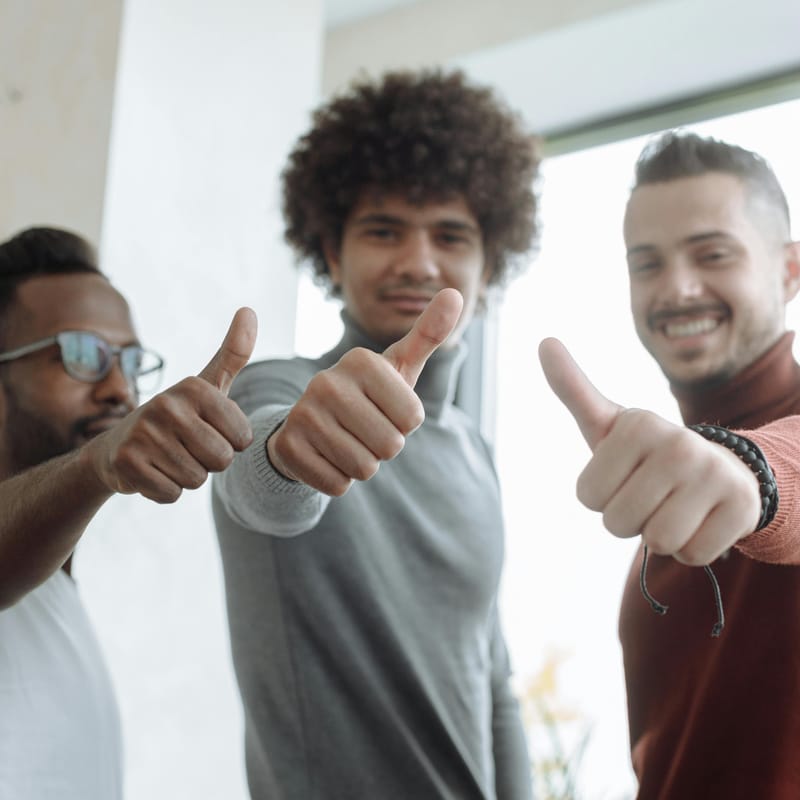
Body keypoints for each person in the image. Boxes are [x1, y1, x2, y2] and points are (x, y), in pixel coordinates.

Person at [212, 68, 540, 799]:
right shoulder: (283, 390)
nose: (417, 261)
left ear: (490, 265)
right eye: (383, 230)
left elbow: (493, 684)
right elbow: (261, 484)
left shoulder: (474, 452)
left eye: (450, 235)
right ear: (331, 254)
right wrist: (288, 456)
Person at [539, 131, 800, 798]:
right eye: (646, 263)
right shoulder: (665, 492)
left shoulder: (732, 466)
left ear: (790, 271)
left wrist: (753, 472)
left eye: (712, 254)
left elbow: (785, 467)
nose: (678, 289)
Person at [0, 226, 256, 799]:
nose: (120, 388)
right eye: (82, 354)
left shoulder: (53, 591)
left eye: (129, 360)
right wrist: (94, 465)